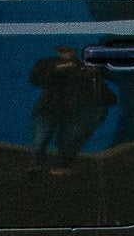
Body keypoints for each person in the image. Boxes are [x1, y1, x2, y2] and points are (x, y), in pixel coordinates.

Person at [27, 46, 114, 174]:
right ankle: (38, 164)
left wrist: (92, 74)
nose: (66, 54)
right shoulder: (48, 63)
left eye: (69, 51)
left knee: (68, 139)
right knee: (40, 139)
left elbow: (98, 87)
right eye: (63, 51)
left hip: (71, 110)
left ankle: (61, 165)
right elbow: (36, 79)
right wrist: (56, 70)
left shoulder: (83, 67)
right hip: (47, 108)